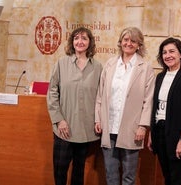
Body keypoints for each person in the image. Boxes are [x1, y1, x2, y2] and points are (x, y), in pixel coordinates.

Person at [94, 27, 155, 185]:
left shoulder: (145, 68)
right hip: (109, 126)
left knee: (129, 176)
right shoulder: (110, 64)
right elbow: (100, 95)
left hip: (131, 128)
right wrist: (97, 119)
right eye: (126, 40)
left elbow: (148, 100)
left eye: (133, 41)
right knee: (110, 173)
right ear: (120, 42)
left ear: (139, 45)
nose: (128, 43)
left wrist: (142, 126)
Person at [46, 27, 102, 185]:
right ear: (72, 42)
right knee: (60, 169)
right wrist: (59, 120)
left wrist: (98, 120)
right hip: (64, 128)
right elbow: (52, 93)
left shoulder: (97, 67)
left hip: (85, 129)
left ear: (90, 43)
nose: (80, 41)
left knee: (79, 169)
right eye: (76, 38)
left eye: (84, 38)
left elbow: (101, 96)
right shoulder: (61, 64)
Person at [147, 37, 181, 185]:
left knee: (177, 180)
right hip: (161, 133)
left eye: (172, 51)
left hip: (178, 136)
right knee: (168, 178)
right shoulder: (160, 77)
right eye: (164, 52)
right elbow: (155, 108)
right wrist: (152, 133)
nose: (167, 55)